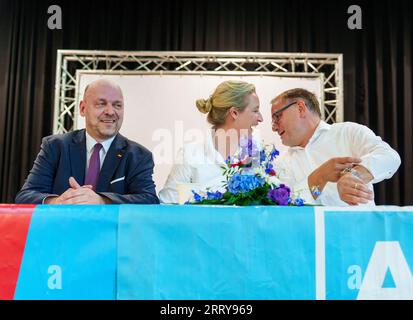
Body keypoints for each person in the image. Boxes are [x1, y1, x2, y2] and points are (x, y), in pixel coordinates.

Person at [15, 79, 159, 204]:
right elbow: (26, 195)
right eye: (101, 104)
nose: (110, 111)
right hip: (63, 232)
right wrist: (58, 201)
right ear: (83, 109)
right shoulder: (55, 147)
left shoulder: (139, 156)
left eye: (117, 105)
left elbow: (149, 199)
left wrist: (102, 200)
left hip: (111, 234)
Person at [270, 88, 401, 206]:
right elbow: (290, 206)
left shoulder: (348, 133)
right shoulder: (281, 164)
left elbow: (390, 157)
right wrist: (319, 178)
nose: (274, 127)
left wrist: (355, 176)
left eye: (277, 117)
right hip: (314, 233)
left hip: (360, 230)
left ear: (300, 108)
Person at [159, 80, 263, 203]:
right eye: (255, 111)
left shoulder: (258, 154)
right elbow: (168, 205)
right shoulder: (189, 154)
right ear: (234, 113)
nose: (260, 118)